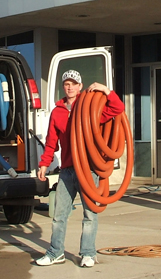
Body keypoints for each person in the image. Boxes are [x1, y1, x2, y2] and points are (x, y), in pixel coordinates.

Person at [35, 69, 124, 267]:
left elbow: (117, 108)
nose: (70, 87)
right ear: (63, 87)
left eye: (73, 84)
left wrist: (105, 90)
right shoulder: (57, 112)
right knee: (59, 215)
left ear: (80, 86)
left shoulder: (90, 108)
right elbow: (51, 142)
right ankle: (55, 252)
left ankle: (88, 254)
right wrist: (44, 164)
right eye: (67, 84)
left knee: (90, 214)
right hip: (67, 170)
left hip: (88, 169)